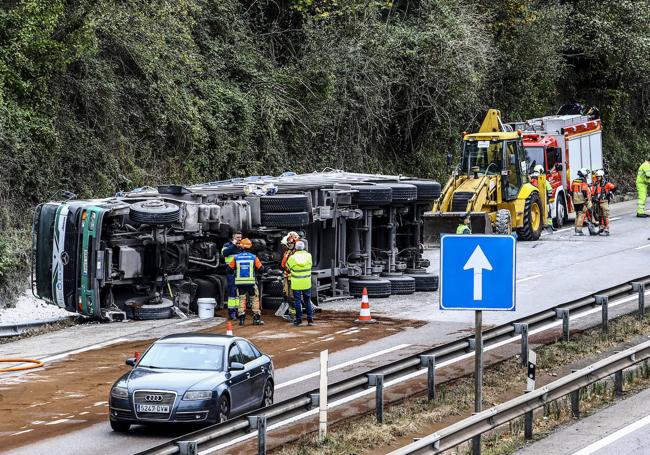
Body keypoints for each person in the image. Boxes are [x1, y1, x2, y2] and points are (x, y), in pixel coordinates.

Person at [228, 238, 265, 326]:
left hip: (240, 283)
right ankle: (256, 319)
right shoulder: (253, 257)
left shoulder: (236, 258)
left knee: (241, 299)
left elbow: (228, 270)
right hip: (251, 283)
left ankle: (241, 319)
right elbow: (261, 269)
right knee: (254, 299)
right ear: (250, 247)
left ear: (241, 247)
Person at [286, 240, 314, 327]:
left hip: (296, 283)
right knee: (307, 301)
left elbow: (287, 267)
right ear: (304, 247)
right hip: (306, 282)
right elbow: (310, 265)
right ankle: (310, 320)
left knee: (297, 301)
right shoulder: (309, 256)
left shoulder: (292, 258)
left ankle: (299, 320)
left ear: (296, 248)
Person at [221, 231, 242, 320]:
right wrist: (233, 245)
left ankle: (238, 311)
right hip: (231, 272)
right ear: (233, 237)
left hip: (240, 272)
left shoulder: (241, 246)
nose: (239, 239)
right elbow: (224, 253)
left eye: (240, 237)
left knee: (239, 292)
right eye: (237, 237)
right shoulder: (227, 245)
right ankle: (232, 313)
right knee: (232, 292)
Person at [280, 231, 301, 322]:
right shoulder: (287, 252)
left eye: (291, 243)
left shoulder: (297, 253)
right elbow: (283, 264)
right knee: (287, 295)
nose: (289, 245)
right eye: (288, 243)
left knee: (293, 296)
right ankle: (292, 313)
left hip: (294, 278)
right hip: (287, 277)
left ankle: (295, 315)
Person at [531, 164, 556, 232]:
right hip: (543, 199)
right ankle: (550, 226)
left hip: (533, 200)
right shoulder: (542, 178)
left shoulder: (530, 177)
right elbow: (549, 189)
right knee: (548, 212)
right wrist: (548, 198)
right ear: (541, 170)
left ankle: (539, 225)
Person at [592, 170, 617, 236]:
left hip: (604, 202)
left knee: (605, 216)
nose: (597, 178)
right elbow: (594, 192)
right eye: (597, 177)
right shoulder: (596, 183)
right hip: (598, 202)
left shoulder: (606, 184)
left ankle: (606, 230)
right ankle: (601, 228)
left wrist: (610, 193)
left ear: (602, 176)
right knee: (600, 216)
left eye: (599, 177)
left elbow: (614, 187)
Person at [570, 168, 591, 236]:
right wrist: (587, 200)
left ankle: (576, 229)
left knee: (577, 215)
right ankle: (579, 231)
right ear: (584, 174)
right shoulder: (583, 182)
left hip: (575, 201)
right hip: (581, 201)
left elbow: (570, 191)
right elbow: (584, 192)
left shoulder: (574, 181)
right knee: (581, 215)